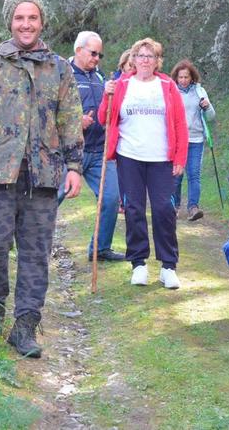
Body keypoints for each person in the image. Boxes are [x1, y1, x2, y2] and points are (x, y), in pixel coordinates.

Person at [0, 0, 83, 359]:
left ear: (42, 22)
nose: (26, 24)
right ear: (9, 21)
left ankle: (25, 326)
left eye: (33, 18)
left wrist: (73, 167)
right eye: (19, 18)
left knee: (35, 253)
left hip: (42, 177)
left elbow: (71, 120)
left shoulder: (59, 67)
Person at [98, 37, 188, 289]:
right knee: (134, 209)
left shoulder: (168, 85)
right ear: (133, 60)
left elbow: (180, 123)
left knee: (163, 210)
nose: (145, 60)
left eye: (150, 56)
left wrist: (180, 157)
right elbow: (104, 118)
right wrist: (107, 95)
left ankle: (168, 266)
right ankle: (138, 263)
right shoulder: (122, 84)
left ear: (158, 61)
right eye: (141, 56)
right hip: (129, 156)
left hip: (161, 158)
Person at [70, 31, 124, 262]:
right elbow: (48, 112)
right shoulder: (62, 74)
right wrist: (75, 122)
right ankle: (34, 248)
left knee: (111, 198)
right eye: (93, 53)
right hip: (70, 152)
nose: (97, 59)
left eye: (99, 54)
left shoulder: (101, 77)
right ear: (78, 50)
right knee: (51, 200)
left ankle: (100, 249)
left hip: (100, 150)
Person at [170, 59, 216, 221]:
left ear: (192, 77)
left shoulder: (199, 91)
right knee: (176, 176)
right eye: (180, 77)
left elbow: (211, 117)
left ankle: (193, 208)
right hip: (177, 140)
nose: (183, 80)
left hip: (196, 139)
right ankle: (174, 206)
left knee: (194, 175)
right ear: (176, 77)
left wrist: (207, 106)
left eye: (186, 77)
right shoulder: (171, 91)